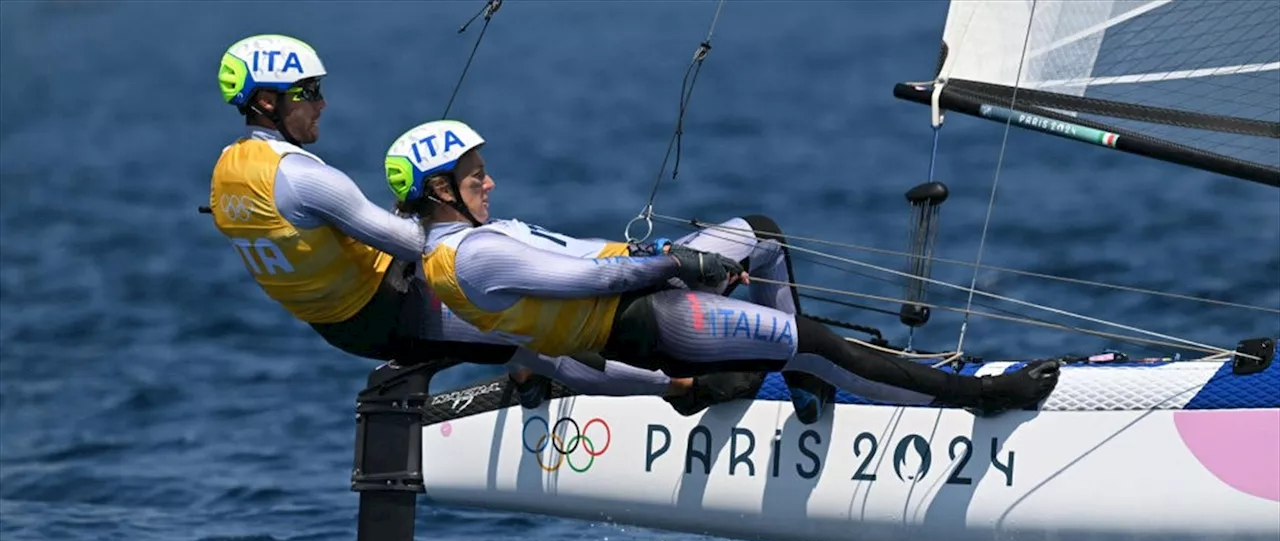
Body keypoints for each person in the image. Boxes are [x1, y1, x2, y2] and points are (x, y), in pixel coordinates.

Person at [205, 34, 762, 413]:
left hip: (343, 323)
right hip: (390, 305)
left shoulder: (229, 172)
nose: (322, 103)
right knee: (541, 326)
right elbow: (411, 241)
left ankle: (529, 377)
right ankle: (682, 388)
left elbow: (294, 236)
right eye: (309, 92)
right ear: (267, 102)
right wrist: (464, 223)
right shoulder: (303, 177)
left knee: (524, 317)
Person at [387, 119, 1062, 415]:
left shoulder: (477, 237)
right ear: (442, 191)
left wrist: (671, 259)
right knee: (819, 344)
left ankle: (801, 383)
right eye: (476, 178)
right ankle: (983, 400)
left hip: (646, 292)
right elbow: (593, 281)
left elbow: (590, 254)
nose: (490, 182)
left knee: (760, 235)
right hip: (651, 323)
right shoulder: (474, 254)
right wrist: (681, 266)